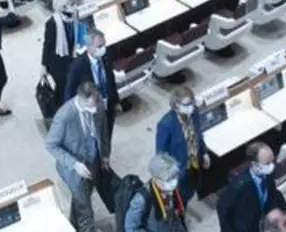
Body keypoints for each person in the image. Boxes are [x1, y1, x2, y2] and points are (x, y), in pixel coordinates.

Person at [46, 82, 114, 232]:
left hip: (93, 161)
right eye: (91, 106)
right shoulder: (64, 116)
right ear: (81, 99)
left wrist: (105, 155)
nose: (95, 109)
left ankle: (72, 225)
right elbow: (50, 145)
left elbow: (103, 131)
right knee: (86, 211)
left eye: (96, 104)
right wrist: (74, 164)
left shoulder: (97, 104)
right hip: (74, 170)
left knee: (82, 200)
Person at [217, 142, 286, 232]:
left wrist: (280, 211)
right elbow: (222, 206)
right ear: (254, 164)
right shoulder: (239, 185)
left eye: (272, 160)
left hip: (260, 219)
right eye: (267, 163)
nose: (272, 166)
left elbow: (271, 192)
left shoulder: (268, 173)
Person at [64, 28, 120, 147]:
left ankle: (105, 157)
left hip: (107, 108)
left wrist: (116, 101)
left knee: (106, 137)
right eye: (99, 46)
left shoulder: (106, 58)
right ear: (89, 46)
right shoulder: (78, 66)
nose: (103, 49)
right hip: (90, 112)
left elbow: (111, 80)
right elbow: (69, 92)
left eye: (104, 45)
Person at [155, 86, 209, 204]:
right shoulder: (166, 124)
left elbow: (198, 134)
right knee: (181, 199)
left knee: (192, 188)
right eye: (186, 104)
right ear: (176, 105)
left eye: (191, 103)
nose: (190, 107)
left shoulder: (194, 113)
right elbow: (161, 154)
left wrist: (204, 152)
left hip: (195, 162)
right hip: (180, 170)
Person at [123, 153, 189, 232]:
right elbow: (131, 228)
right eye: (168, 179)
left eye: (174, 177)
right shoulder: (141, 199)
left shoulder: (170, 190)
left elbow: (172, 218)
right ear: (156, 179)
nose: (173, 183)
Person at [43, 0, 82, 106]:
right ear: (63, 7)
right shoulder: (52, 23)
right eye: (72, 4)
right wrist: (43, 66)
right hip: (57, 61)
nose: (75, 7)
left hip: (71, 57)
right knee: (63, 88)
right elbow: (47, 45)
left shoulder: (74, 16)